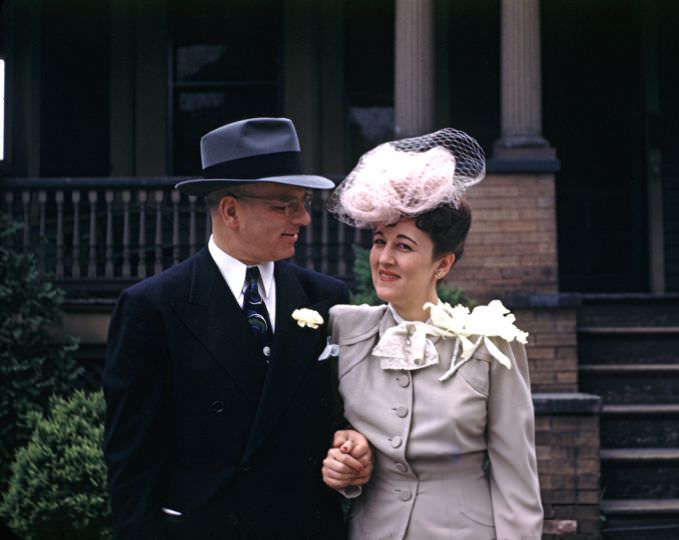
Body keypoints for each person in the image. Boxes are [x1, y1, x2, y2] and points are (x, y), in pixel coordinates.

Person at [103, 117, 371, 540]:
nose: (303, 218)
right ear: (230, 210)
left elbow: (344, 414)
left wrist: (350, 447)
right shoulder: (152, 307)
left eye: (304, 202)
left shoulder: (326, 295)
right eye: (284, 204)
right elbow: (131, 463)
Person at [320, 129, 544, 540]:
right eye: (379, 241)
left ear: (442, 265)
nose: (384, 258)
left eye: (403, 246)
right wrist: (345, 461)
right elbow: (319, 425)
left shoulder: (491, 343)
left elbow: (517, 477)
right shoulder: (344, 329)